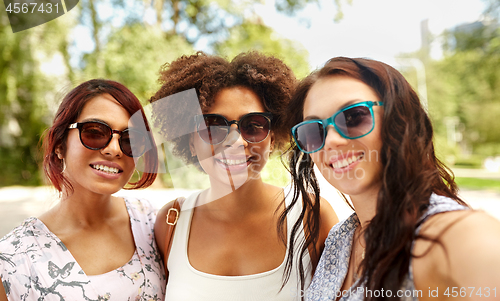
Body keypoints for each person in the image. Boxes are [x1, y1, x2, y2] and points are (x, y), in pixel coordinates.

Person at [286, 57, 500, 301]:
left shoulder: (448, 235)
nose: (331, 140)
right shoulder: (339, 239)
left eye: (354, 116)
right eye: (313, 130)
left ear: (398, 120)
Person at [150, 51, 339, 300]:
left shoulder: (311, 216)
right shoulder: (171, 223)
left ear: (272, 138)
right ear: (191, 142)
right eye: (213, 127)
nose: (236, 141)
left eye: (253, 125)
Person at [0, 79, 165, 300]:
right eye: (95, 132)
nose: (114, 149)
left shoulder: (153, 223)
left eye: (130, 139)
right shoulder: (14, 259)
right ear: (59, 145)